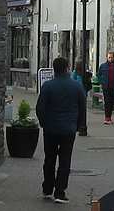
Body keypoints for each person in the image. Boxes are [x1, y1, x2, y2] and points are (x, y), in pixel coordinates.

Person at [35, 57, 85, 203]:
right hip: (68, 129)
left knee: (49, 159)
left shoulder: (48, 86)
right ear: (67, 68)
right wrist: (78, 126)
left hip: (50, 129)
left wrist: (44, 123)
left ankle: (47, 188)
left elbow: (40, 108)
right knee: (65, 160)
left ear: (54, 69)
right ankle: (60, 191)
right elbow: (82, 108)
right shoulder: (76, 86)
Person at [98, 51, 114, 125]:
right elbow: (99, 75)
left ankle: (109, 117)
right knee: (107, 102)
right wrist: (102, 83)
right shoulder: (103, 66)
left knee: (111, 102)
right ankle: (107, 118)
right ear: (107, 57)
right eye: (109, 57)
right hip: (106, 87)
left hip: (113, 87)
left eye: (112, 57)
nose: (110, 59)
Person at [75, 61, 93, 135]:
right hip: (82, 93)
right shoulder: (80, 74)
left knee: (78, 109)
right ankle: (81, 125)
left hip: (78, 93)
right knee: (81, 109)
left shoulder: (76, 74)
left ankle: (80, 125)